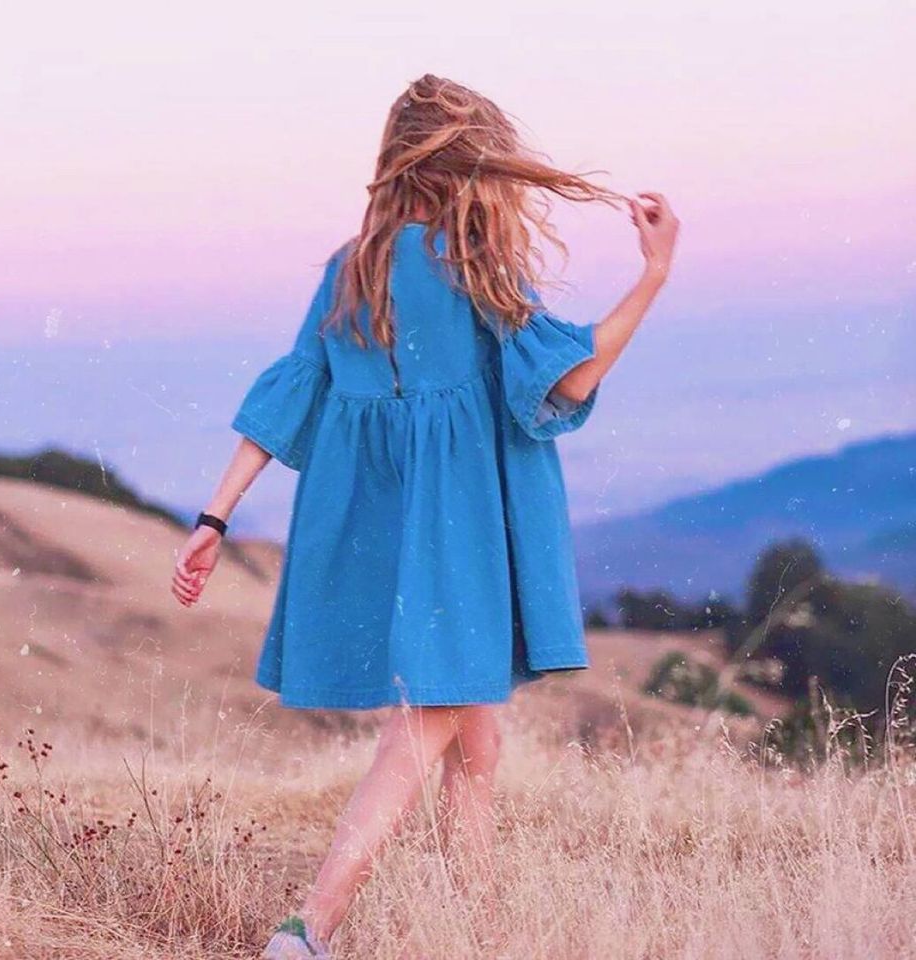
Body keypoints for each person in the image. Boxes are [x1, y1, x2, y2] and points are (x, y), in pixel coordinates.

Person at [170, 73, 678, 959]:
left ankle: (474, 932)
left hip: (378, 524)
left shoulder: (352, 267)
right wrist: (656, 272)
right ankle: (310, 928)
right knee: (429, 719)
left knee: (476, 743)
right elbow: (573, 377)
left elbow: (291, 394)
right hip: (461, 529)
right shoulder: (470, 264)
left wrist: (214, 517)